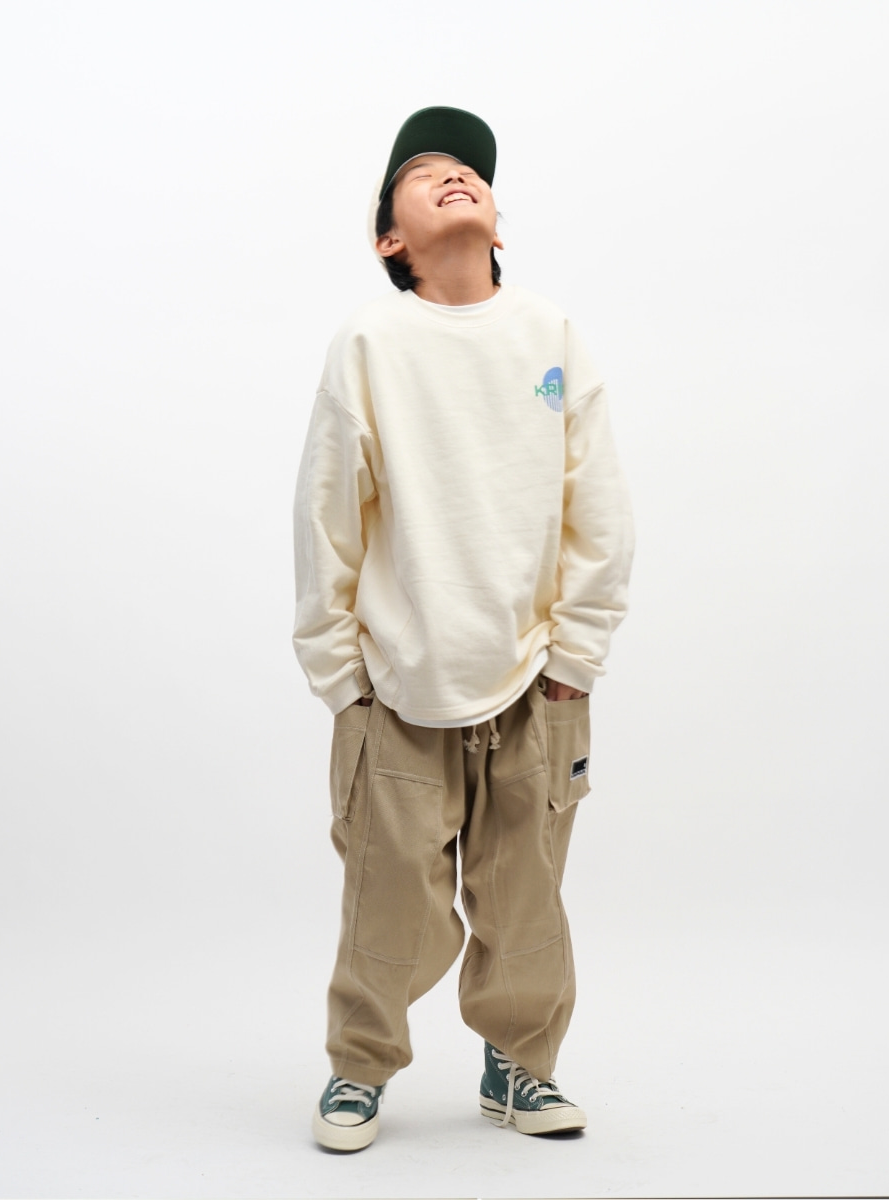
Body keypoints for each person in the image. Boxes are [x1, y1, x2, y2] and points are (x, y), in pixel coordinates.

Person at [293, 106, 634, 1152]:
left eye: (470, 170)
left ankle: (520, 1066)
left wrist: (574, 661)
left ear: (496, 217)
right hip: (399, 684)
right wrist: (341, 677)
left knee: (526, 899)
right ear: (388, 237)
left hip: (534, 680)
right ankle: (359, 1066)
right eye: (424, 170)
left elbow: (596, 506)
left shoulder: (550, 334)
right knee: (388, 903)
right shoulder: (370, 341)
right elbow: (327, 514)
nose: (455, 175)